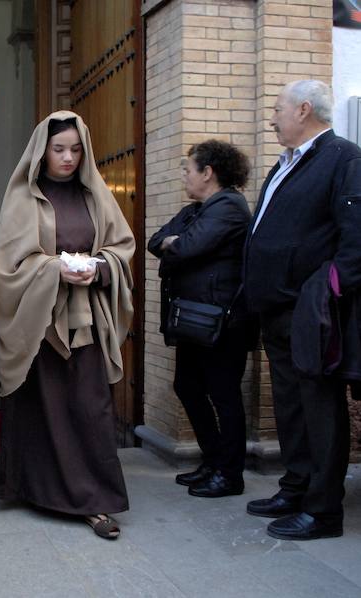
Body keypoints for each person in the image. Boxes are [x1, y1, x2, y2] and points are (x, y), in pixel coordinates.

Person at [0, 112, 134, 540]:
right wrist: (53, 269)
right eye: (59, 149)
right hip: (41, 323)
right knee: (44, 407)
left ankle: (96, 501)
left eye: (76, 149)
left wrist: (98, 267)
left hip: (87, 320)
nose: (68, 158)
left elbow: (121, 248)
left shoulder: (97, 197)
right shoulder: (22, 198)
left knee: (90, 407)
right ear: (42, 151)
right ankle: (38, 490)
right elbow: (8, 265)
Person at [243, 80, 361, 541]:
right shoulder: (286, 163)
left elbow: (355, 236)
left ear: (304, 110)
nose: (271, 118)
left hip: (312, 310)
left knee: (320, 409)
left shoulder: (343, 158)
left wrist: (328, 288)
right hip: (275, 307)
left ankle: (323, 510)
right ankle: (295, 487)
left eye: (277, 109)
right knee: (290, 405)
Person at [148, 140, 255, 498]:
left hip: (223, 323)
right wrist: (172, 243)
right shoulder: (198, 209)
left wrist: (175, 246)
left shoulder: (228, 207)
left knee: (224, 395)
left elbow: (187, 248)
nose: (184, 177)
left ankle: (230, 473)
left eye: (187, 170)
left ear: (208, 173)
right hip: (196, 320)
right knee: (188, 386)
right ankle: (212, 461)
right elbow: (156, 240)